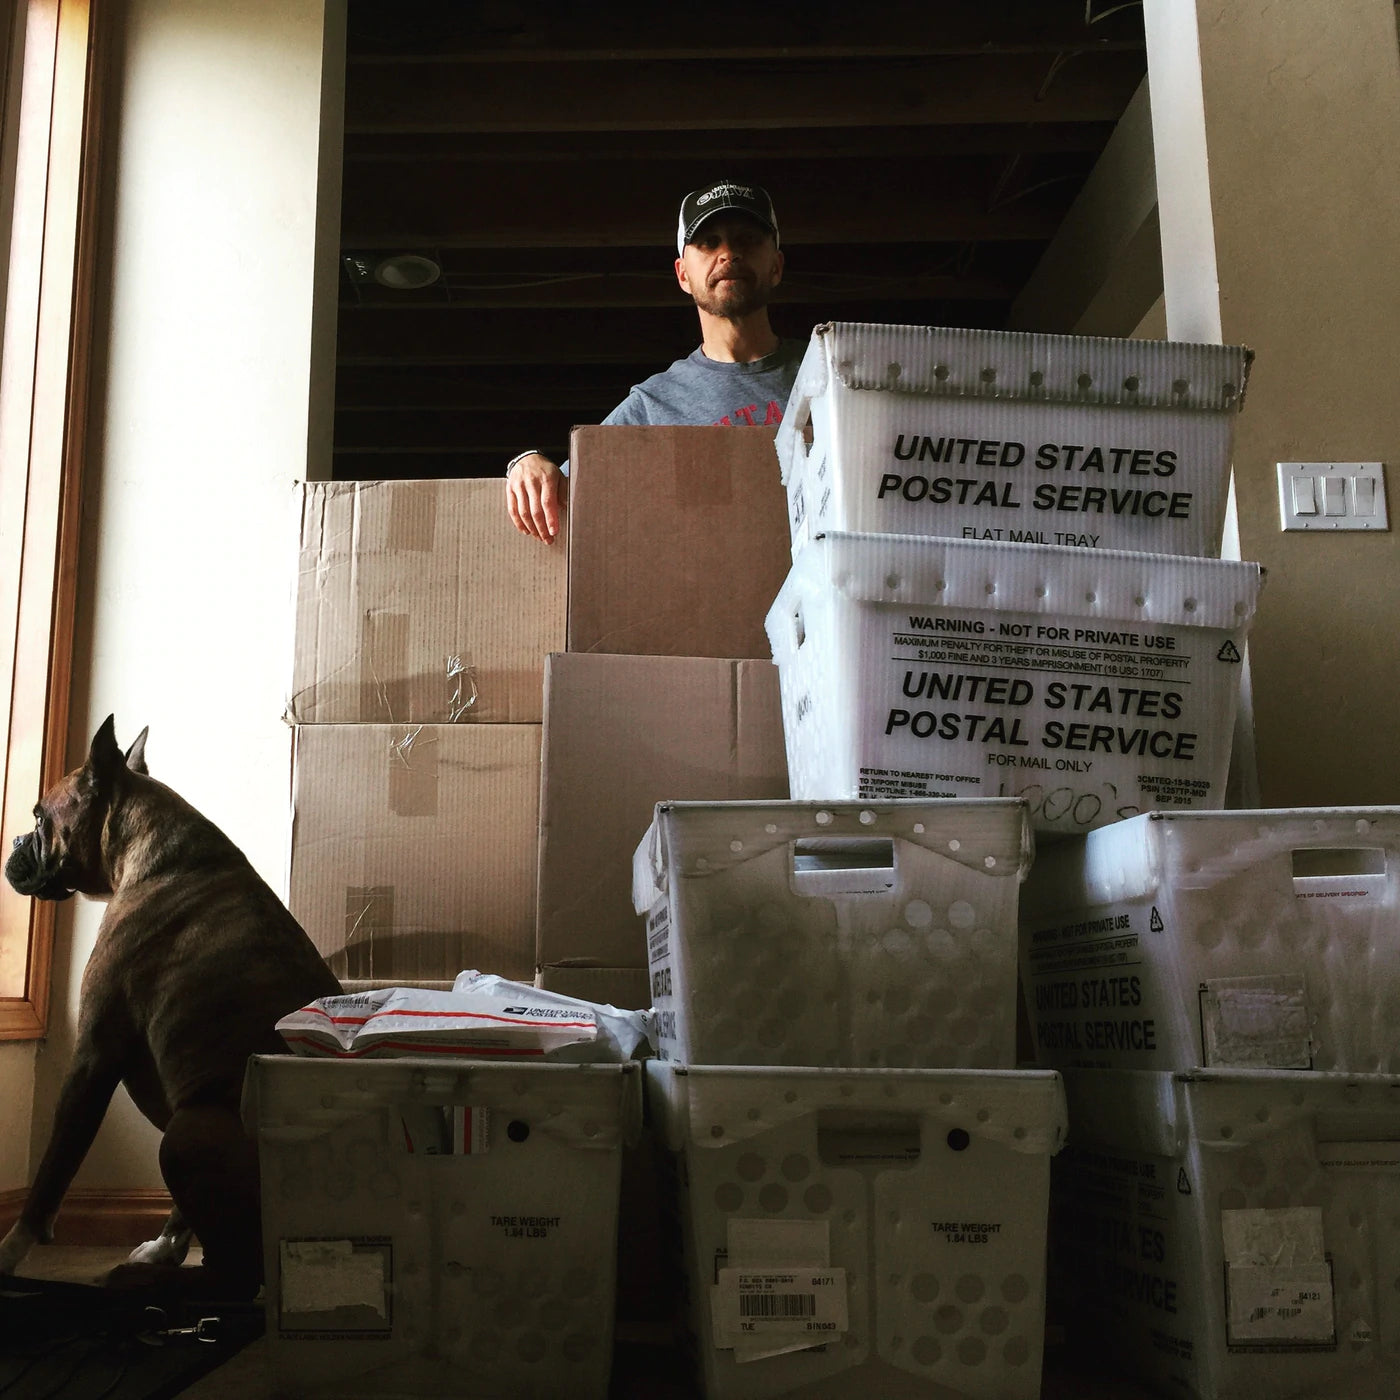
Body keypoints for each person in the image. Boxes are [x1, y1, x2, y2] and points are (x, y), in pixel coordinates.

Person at [505, 180, 805, 543]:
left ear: (776, 265)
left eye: (746, 240)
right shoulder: (653, 405)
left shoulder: (832, 372)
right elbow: (565, 492)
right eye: (709, 243)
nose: (729, 254)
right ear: (683, 274)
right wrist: (526, 462)